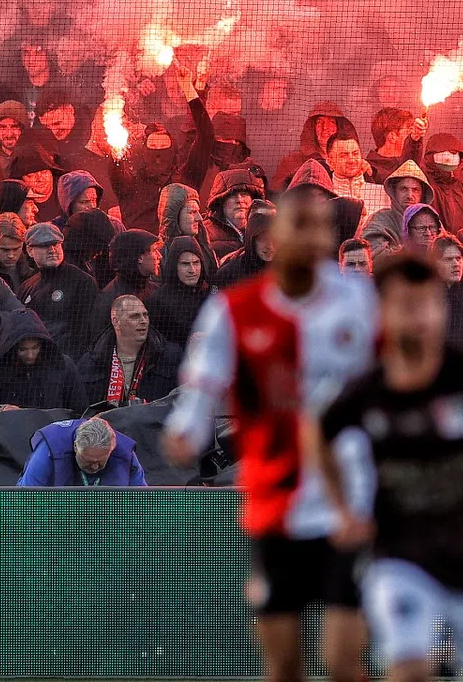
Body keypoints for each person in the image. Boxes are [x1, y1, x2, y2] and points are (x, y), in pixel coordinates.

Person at [163, 187, 377, 682]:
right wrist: (186, 430)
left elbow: (394, 377)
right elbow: (201, 385)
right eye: (297, 225)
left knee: (345, 662)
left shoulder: (358, 301)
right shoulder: (235, 309)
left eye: (319, 226)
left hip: (349, 500)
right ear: (275, 234)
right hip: (275, 500)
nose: (309, 238)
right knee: (283, 666)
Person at [310, 252, 463, 682]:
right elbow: (317, 435)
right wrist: (343, 510)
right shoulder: (364, 389)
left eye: (427, 304)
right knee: (408, 668)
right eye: (405, 306)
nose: (418, 318)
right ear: (381, 312)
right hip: (399, 557)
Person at [80, 295, 179, 407]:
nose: (143, 321)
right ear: (116, 322)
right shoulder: (91, 361)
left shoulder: (170, 356)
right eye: (135, 316)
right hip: (107, 423)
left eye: (145, 315)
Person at [18, 222, 99, 359]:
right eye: (44, 246)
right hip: (34, 364)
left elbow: (85, 334)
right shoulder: (27, 287)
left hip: (66, 364)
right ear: (30, 251)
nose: (52, 250)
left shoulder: (82, 281)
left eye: (56, 244)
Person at [0, 312, 83, 411]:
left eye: (35, 347)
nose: (30, 355)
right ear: (12, 349)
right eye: (23, 350)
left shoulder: (63, 366)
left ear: (43, 344)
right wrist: (1, 411)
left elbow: (79, 410)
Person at [17, 417, 147, 487]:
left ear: (112, 449)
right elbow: (25, 501)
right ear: (75, 447)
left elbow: (143, 504)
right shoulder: (49, 450)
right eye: (89, 461)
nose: (95, 467)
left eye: (101, 461)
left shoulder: (125, 454)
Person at [145, 235, 212, 347]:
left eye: (196, 263)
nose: (192, 270)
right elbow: (156, 346)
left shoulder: (212, 294)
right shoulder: (158, 302)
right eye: (185, 264)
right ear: (174, 265)